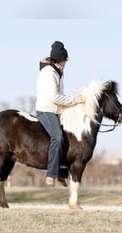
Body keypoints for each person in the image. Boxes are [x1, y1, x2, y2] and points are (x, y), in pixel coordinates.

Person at [36, 41, 85, 187]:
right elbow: (55, 97)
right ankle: (51, 175)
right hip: (46, 110)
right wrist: (75, 100)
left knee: (68, 138)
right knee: (57, 138)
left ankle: (62, 174)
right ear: (59, 59)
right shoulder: (48, 73)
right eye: (65, 60)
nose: (66, 63)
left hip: (57, 110)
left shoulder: (57, 72)